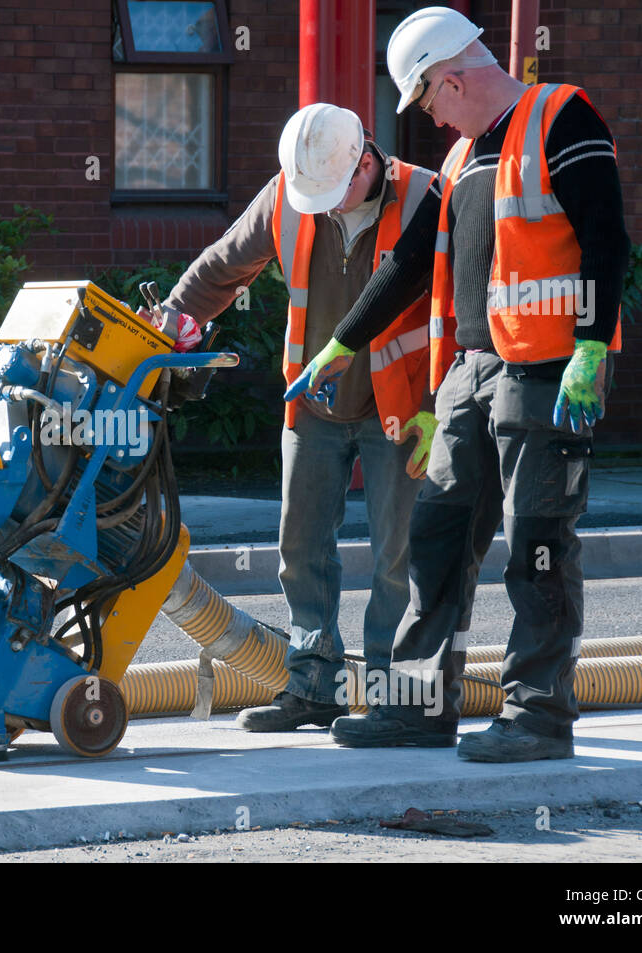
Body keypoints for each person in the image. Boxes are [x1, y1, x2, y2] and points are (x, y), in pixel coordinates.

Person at [299, 6, 629, 761]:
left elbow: (608, 239)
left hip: (547, 374)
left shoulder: (562, 118)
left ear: (450, 79)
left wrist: (591, 348)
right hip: (471, 375)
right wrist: (341, 344)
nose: (435, 121)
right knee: (437, 536)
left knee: (538, 543)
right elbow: (409, 263)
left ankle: (540, 714)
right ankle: (418, 705)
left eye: (431, 104)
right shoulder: (461, 162)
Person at [159, 103, 440, 730]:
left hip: (404, 405)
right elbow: (223, 265)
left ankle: (399, 701)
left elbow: (463, 304)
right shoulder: (290, 191)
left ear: (366, 161)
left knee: (399, 557)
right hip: (314, 403)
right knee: (301, 548)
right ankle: (315, 687)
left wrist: (440, 405)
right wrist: (172, 323)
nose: (327, 207)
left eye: (336, 195)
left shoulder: (426, 195)